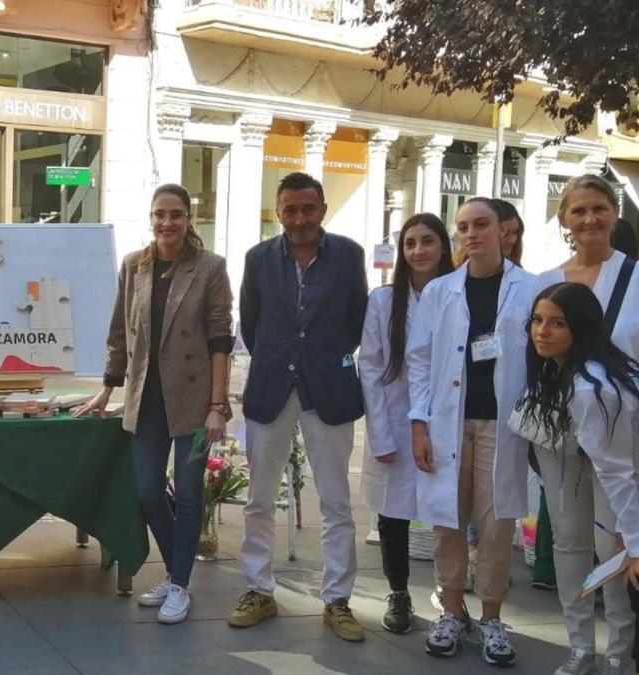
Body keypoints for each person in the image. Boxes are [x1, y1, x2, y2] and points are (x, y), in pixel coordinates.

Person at [73, 183, 233, 624]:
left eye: (176, 214)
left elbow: (222, 339)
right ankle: (177, 570)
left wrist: (217, 405)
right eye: (160, 214)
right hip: (145, 398)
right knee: (145, 490)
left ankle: (178, 585)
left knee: (188, 491)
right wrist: (108, 387)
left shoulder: (209, 268)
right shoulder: (134, 266)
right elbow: (118, 332)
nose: (167, 223)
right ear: (151, 217)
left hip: (196, 401)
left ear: (188, 218)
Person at [229, 172, 368, 642]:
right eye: (290, 210)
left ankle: (337, 599)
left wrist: (321, 359)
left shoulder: (348, 256)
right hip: (271, 387)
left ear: (323, 209)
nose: (300, 219)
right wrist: (282, 357)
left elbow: (356, 322)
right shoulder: (257, 259)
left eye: (308, 208)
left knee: (336, 501)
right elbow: (251, 323)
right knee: (260, 499)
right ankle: (258, 589)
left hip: (328, 388)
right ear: (278, 212)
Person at [407, 197, 534, 665]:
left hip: (502, 424)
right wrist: (418, 423)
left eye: (481, 224)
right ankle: (452, 610)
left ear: (506, 230)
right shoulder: (440, 291)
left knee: (497, 523)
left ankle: (493, 617)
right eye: (463, 226)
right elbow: (419, 361)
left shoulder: (532, 288)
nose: (471, 234)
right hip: (449, 421)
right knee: (447, 520)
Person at [527, 175, 639, 675]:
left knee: (612, 544)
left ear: (615, 214)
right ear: (563, 220)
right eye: (579, 211)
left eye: (599, 208)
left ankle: (618, 650)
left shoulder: (636, 278)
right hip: (560, 427)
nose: (590, 219)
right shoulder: (547, 279)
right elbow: (528, 356)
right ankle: (579, 647)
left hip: (617, 424)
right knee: (568, 542)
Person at [358, 213, 454, 635]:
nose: (418, 251)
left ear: (443, 247)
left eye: (428, 241)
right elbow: (372, 367)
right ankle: (398, 592)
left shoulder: (457, 293)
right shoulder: (383, 301)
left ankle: (449, 597)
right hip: (395, 419)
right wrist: (380, 433)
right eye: (410, 243)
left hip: (446, 418)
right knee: (393, 513)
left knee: (447, 511)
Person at [451, 198, 524, 267]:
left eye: (515, 233)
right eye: (506, 234)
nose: (511, 240)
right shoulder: (452, 276)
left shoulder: (525, 278)